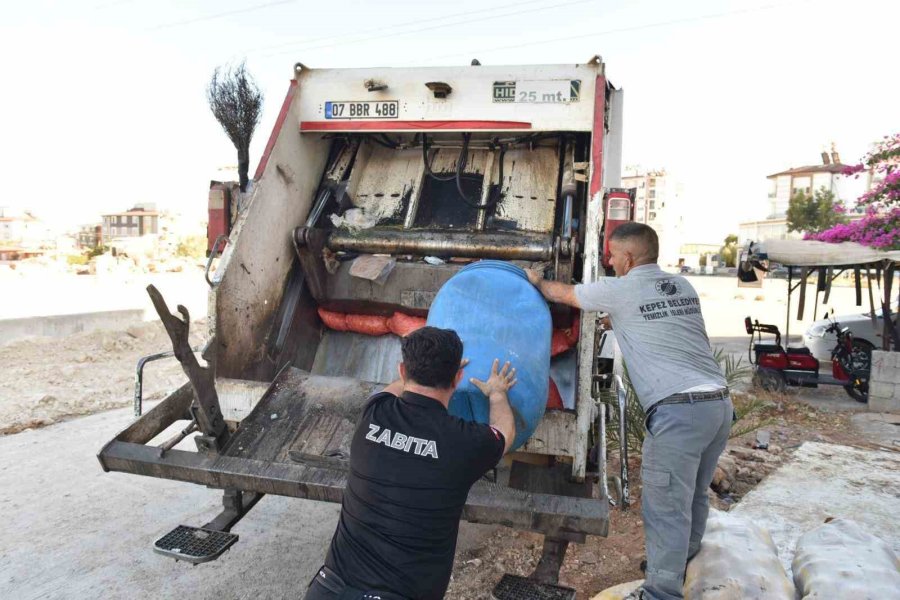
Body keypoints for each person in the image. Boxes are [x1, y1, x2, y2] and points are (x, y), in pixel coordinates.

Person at [526, 223, 732, 600]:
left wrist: (536, 280)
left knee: (666, 507)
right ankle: (683, 564)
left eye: (612, 255)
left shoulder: (620, 289)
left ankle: (660, 592)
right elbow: (660, 321)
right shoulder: (682, 287)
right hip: (717, 405)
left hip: (678, 412)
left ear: (630, 257)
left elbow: (561, 293)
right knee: (694, 494)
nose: (608, 260)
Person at [304, 326, 517, 600]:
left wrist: (425, 369)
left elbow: (391, 389)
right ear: (458, 378)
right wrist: (497, 393)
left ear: (402, 371)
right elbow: (504, 432)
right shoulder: (465, 442)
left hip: (328, 589)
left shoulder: (373, 414)